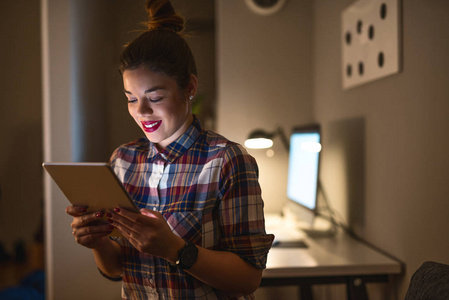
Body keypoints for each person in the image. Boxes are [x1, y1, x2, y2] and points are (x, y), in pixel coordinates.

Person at [65, 0, 274, 299]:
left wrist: (175, 250)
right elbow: (118, 270)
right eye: (131, 98)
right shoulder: (123, 161)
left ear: (189, 87)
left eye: (155, 96)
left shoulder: (227, 161)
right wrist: (97, 242)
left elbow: (248, 279)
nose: (142, 112)